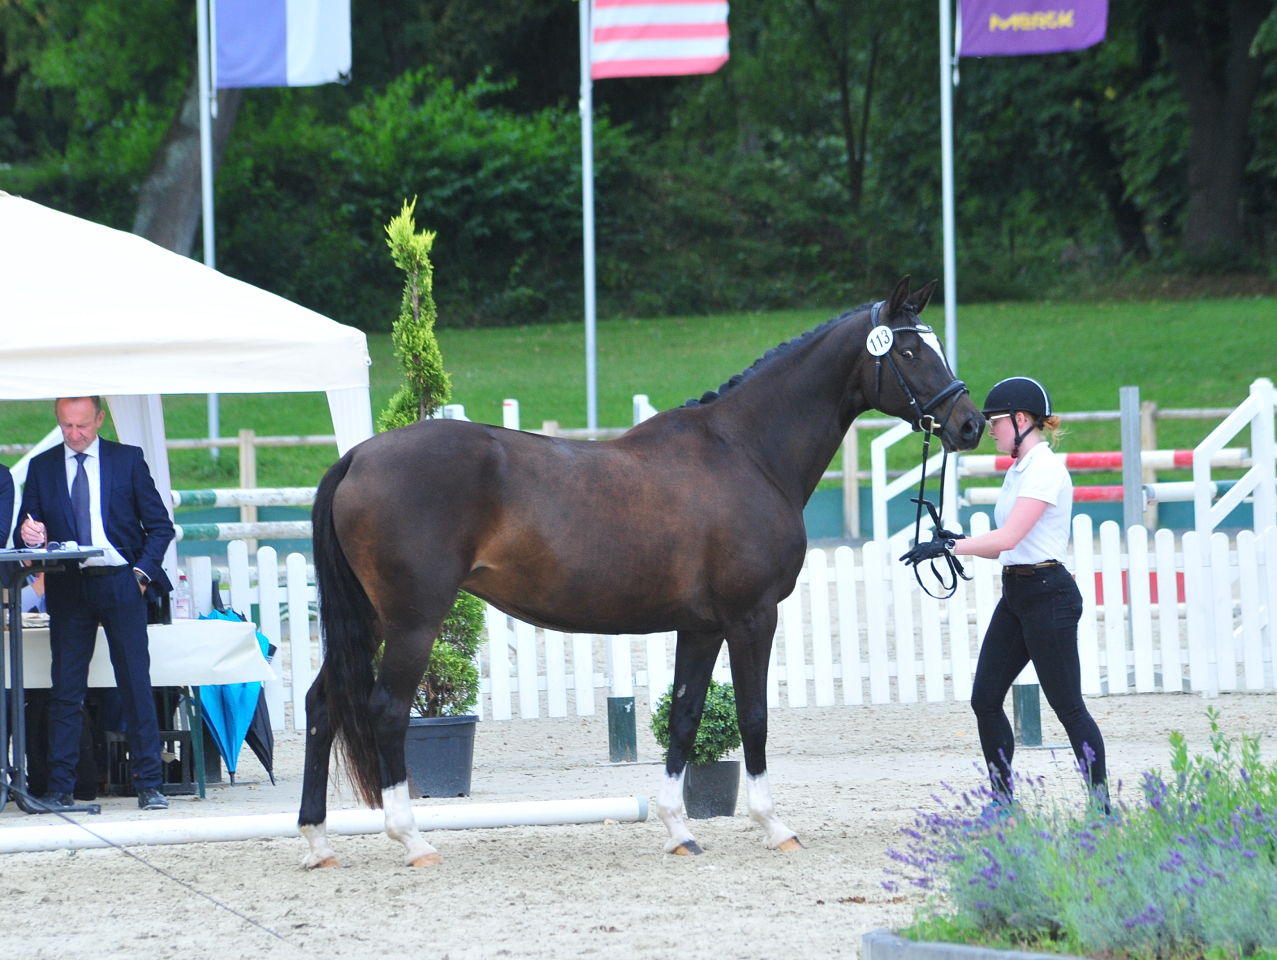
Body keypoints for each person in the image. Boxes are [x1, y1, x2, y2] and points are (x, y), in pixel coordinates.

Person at [902, 377, 1107, 814]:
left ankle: (1102, 807)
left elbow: (1008, 535)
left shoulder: (1046, 469)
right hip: (1018, 591)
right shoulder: (1019, 470)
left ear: (1021, 420)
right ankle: (1002, 803)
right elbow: (1008, 544)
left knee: (1068, 707)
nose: (989, 429)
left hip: (1048, 595)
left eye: (995, 422)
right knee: (985, 698)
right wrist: (957, 539)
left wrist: (951, 547)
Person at [13, 396, 175, 811]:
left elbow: (160, 526)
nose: (74, 434)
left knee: (135, 684)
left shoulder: (127, 459)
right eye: (66, 426)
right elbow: (25, 533)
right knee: (66, 689)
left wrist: (141, 576)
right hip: (68, 585)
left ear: (100, 419)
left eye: (82, 425)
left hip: (121, 580)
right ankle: (61, 787)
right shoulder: (43, 465)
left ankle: (149, 784)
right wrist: (29, 536)